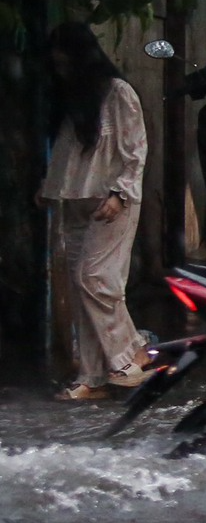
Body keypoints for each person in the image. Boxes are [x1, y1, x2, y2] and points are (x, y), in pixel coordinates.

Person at [37, 23, 149, 400]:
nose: (61, 68)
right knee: (80, 285)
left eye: (66, 61)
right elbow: (70, 153)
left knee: (95, 278)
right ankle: (93, 375)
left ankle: (125, 358)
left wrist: (121, 193)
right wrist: (48, 187)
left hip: (111, 201)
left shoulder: (118, 94)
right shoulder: (72, 95)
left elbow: (136, 151)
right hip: (75, 200)